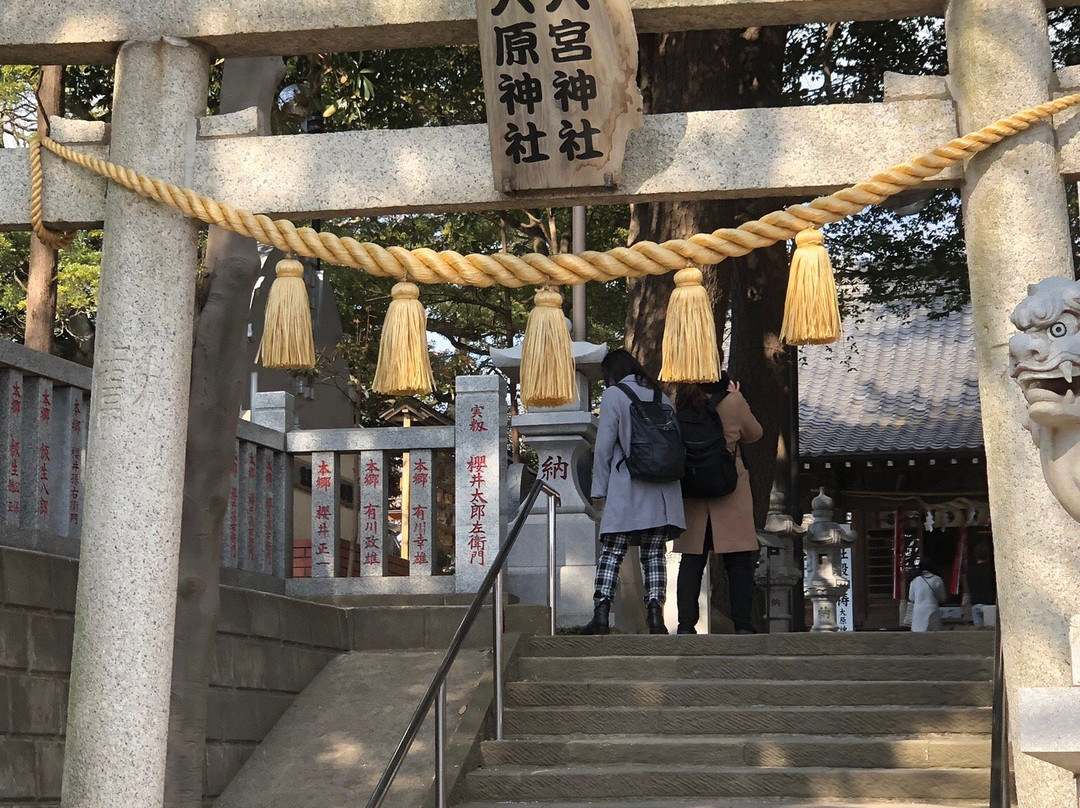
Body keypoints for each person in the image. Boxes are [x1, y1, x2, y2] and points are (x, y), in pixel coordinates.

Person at [586, 349, 686, 635]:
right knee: (654, 554)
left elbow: (604, 446)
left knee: (613, 551)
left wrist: (598, 490)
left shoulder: (615, 395)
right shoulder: (660, 396)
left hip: (627, 487)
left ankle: (601, 615)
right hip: (663, 490)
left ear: (612, 374)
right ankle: (655, 618)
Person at [671, 373, 763, 635]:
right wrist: (736, 398)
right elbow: (755, 433)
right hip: (729, 489)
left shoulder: (681, 401)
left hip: (692, 488)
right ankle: (743, 624)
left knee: (691, 560)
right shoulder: (732, 402)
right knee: (738, 560)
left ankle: (686, 625)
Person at [908, 561, 947, 632]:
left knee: (919, 633)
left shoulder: (915, 580)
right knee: (934, 633)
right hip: (933, 609)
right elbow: (942, 598)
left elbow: (911, 598)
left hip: (919, 610)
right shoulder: (938, 579)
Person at [966, 540, 997, 627]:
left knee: (978, 632)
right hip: (990, 604)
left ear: (975, 556)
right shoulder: (992, 570)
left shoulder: (970, 571)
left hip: (975, 603)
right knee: (990, 632)